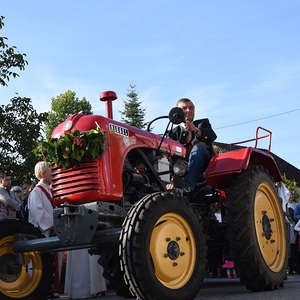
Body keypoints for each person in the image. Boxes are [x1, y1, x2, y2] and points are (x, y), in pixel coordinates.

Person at [168, 98, 217, 190]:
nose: (188, 110)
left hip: (205, 164)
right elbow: (170, 158)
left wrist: (196, 130)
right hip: (181, 169)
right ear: (177, 111)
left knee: (198, 147)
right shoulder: (172, 133)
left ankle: (187, 186)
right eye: (184, 108)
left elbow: (212, 136)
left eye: (191, 108)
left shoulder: (203, 123)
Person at [28, 161, 59, 300]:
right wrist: (54, 224)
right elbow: (38, 213)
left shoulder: (47, 190)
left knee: (51, 263)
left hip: (51, 230)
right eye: (50, 171)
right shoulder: (36, 192)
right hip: (42, 233)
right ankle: (45, 291)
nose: (52, 173)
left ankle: (51, 290)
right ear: (42, 173)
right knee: (44, 263)